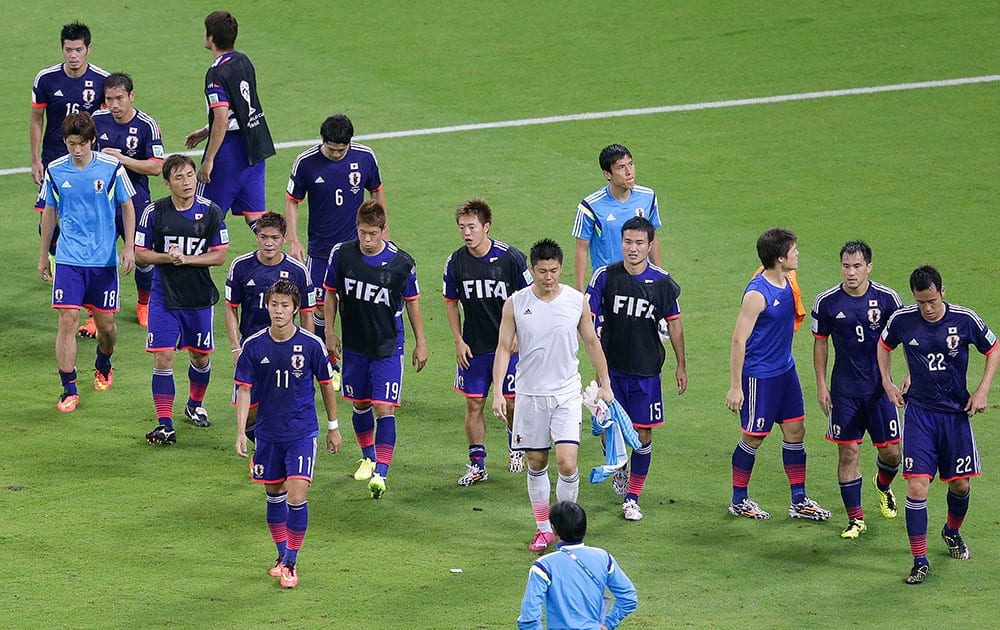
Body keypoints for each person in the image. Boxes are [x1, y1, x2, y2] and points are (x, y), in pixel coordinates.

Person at [877, 265, 999, 585]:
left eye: (931, 301)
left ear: (942, 292)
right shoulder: (903, 319)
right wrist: (888, 383)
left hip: (956, 415)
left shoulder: (965, 319)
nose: (927, 309)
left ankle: (951, 532)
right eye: (921, 302)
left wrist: (983, 390)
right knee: (917, 486)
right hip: (919, 414)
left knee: (960, 486)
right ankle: (919, 560)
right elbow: (884, 345)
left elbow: (993, 348)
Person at [492, 239, 613, 552]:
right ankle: (544, 527)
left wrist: (605, 382)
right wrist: (497, 391)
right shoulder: (515, 304)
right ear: (532, 270)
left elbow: (591, 343)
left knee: (567, 462)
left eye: (554, 270)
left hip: (566, 394)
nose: (549, 277)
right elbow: (504, 348)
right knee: (536, 461)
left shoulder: (576, 301)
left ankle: (566, 528)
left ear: (560, 269)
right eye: (543, 271)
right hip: (530, 394)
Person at [235, 279, 342, 589]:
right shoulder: (253, 345)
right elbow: (243, 389)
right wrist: (242, 432)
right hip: (268, 434)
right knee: (274, 495)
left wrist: (333, 427)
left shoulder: (311, 345)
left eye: (284, 306)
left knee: (297, 495)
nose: (278, 311)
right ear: (266, 306)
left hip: (301, 431)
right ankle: (281, 555)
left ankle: (292, 562)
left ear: (296, 309)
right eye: (274, 305)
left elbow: (325, 385)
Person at [322, 200, 428, 499]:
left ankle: (381, 471)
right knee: (359, 404)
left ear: (384, 230)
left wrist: (420, 342)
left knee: (384, 407)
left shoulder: (402, 263)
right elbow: (330, 295)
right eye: (362, 233)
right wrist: (329, 332)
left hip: (387, 346)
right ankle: (368, 456)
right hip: (355, 344)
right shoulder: (342, 255)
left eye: (372, 233)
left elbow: (412, 302)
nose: (366, 240)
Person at [724, 228, 830, 521]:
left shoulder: (786, 278)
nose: (798, 254)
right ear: (781, 258)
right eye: (793, 250)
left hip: (786, 371)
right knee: (754, 437)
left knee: (796, 431)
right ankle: (739, 499)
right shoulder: (758, 294)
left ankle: (798, 501)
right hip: (760, 377)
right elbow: (738, 339)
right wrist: (736, 386)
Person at [586, 217, 685, 521]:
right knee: (609, 432)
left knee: (642, 435)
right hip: (611, 372)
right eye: (628, 242)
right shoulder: (605, 276)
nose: (633, 248)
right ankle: (620, 466)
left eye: (640, 243)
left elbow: (675, 325)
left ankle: (632, 497)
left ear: (650, 245)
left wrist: (682, 366)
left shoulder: (663, 282)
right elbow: (587, 318)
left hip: (645, 372)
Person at [36, 112, 136, 413]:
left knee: (106, 328)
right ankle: (68, 388)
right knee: (67, 319)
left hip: (103, 261)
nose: (76, 150)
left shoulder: (111, 168)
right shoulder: (56, 170)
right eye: (71, 144)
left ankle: (103, 361)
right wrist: (44, 255)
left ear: (92, 140)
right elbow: (49, 212)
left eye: (81, 144)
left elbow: (127, 206)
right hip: (69, 259)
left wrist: (129, 247)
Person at [811, 241, 904, 539]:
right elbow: (821, 343)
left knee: (892, 453)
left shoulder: (888, 299)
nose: (851, 273)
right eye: (846, 266)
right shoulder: (826, 302)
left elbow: (907, 336)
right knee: (848, 453)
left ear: (869, 267)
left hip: (880, 391)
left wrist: (907, 376)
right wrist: (821, 384)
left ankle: (883, 485)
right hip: (845, 392)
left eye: (857, 266)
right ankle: (856, 519)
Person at [136, 154, 229, 445]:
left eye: (189, 175)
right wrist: (167, 258)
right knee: (164, 357)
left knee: (200, 357)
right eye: (179, 177)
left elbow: (220, 255)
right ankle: (164, 423)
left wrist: (186, 259)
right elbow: (140, 253)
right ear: (167, 183)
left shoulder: (211, 212)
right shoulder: (154, 212)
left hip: (199, 297)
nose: (186, 181)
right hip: (164, 295)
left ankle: (193, 404)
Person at [285, 113, 385, 373]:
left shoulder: (365, 157)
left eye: (342, 149)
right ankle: (326, 363)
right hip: (321, 250)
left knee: (356, 305)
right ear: (323, 140)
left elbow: (376, 190)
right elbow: (292, 201)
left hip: (358, 248)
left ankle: (357, 360)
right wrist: (293, 239)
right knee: (319, 305)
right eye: (332, 149)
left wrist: (382, 231)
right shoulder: (305, 163)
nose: (338, 153)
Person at [442, 199, 531, 486]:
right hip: (475, 346)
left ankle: (515, 442)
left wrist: (520, 333)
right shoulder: (455, 262)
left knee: (513, 402)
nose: (466, 233)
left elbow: (529, 299)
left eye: (472, 227)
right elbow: (451, 303)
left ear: (486, 227)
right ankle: (477, 463)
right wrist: (458, 340)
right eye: (461, 227)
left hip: (509, 345)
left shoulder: (511, 258)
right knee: (474, 404)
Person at [30, 21, 109, 338]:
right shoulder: (46, 79)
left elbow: (107, 119)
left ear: (89, 48)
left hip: (88, 169)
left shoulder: (102, 81)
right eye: (68, 50)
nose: (73, 55)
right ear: (62, 49)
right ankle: (55, 256)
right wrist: (36, 158)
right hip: (54, 163)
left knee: (86, 231)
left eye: (79, 50)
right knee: (45, 225)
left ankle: (90, 309)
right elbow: (37, 119)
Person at [225, 211, 315, 439]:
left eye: (274, 238)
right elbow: (231, 308)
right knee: (249, 411)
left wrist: (307, 349)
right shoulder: (241, 266)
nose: (268, 243)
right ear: (257, 236)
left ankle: (269, 455)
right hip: (252, 348)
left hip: (286, 348)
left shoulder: (298, 271)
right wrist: (236, 346)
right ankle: (260, 447)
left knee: (282, 406)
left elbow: (307, 314)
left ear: (284, 238)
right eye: (263, 237)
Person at [184, 10, 275, 232]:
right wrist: (207, 129)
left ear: (211, 38)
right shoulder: (243, 60)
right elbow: (241, 106)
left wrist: (209, 159)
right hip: (255, 143)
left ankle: (196, 265)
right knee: (255, 217)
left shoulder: (215, 73)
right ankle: (277, 260)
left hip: (230, 151)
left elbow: (223, 118)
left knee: (204, 215)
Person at [93, 72, 165, 328]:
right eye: (109, 99)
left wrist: (121, 159)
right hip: (102, 200)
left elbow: (157, 167)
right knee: (99, 256)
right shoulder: (96, 120)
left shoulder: (147, 125)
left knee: (142, 257)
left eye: (119, 98)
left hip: (136, 199)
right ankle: (94, 315)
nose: (114, 105)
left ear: (131, 96)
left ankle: (144, 303)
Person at [517, 501, 637, 630]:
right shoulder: (603, 557)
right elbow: (628, 597)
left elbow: (528, 617)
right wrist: (609, 623)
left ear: (554, 529)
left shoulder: (544, 566)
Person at [572, 144, 662, 292]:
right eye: (621, 168)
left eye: (631, 164)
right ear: (607, 174)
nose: (629, 172)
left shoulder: (648, 197)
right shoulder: (590, 206)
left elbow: (653, 239)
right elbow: (581, 249)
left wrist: (659, 278)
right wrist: (580, 292)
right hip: (608, 285)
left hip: (641, 282)